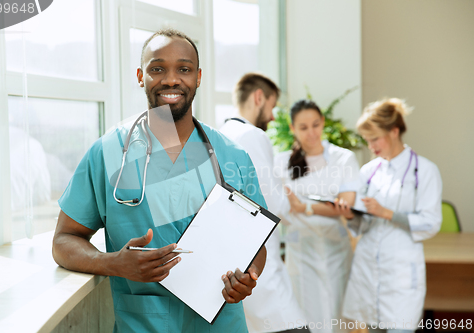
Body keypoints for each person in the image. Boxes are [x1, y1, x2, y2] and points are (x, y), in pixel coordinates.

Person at [52, 28, 267, 333]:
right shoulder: (108, 153)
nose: (170, 79)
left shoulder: (232, 156)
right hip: (143, 324)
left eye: (184, 69)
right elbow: (63, 240)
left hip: (222, 325)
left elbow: (256, 245)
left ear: (199, 77)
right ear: (141, 76)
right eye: (157, 69)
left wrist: (249, 277)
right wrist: (113, 263)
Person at [341, 98, 442, 333]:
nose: (371, 147)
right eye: (367, 141)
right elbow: (363, 223)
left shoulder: (424, 170)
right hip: (368, 269)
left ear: (394, 131)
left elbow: (431, 222)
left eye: (375, 139)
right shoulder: (368, 171)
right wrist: (349, 215)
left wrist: (387, 213)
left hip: (401, 274)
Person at [220, 73, 308, 333]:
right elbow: (274, 205)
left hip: (233, 267)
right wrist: (287, 192)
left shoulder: (218, 135)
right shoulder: (252, 135)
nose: (272, 117)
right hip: (260, 271)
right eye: (272, 106)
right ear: (259, 98)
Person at [273, 100, 360, 333]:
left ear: (323, 123)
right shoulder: (281, 162)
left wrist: (304, 207)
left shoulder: (343, 158)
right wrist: (310, 207)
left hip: (337, 250)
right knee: (307, 318)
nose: (311, 133)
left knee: (338, 317)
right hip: (300, 251)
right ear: (292, 129)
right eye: (303, 127)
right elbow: (277, 206)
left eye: (315, 125)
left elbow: (347, 204)